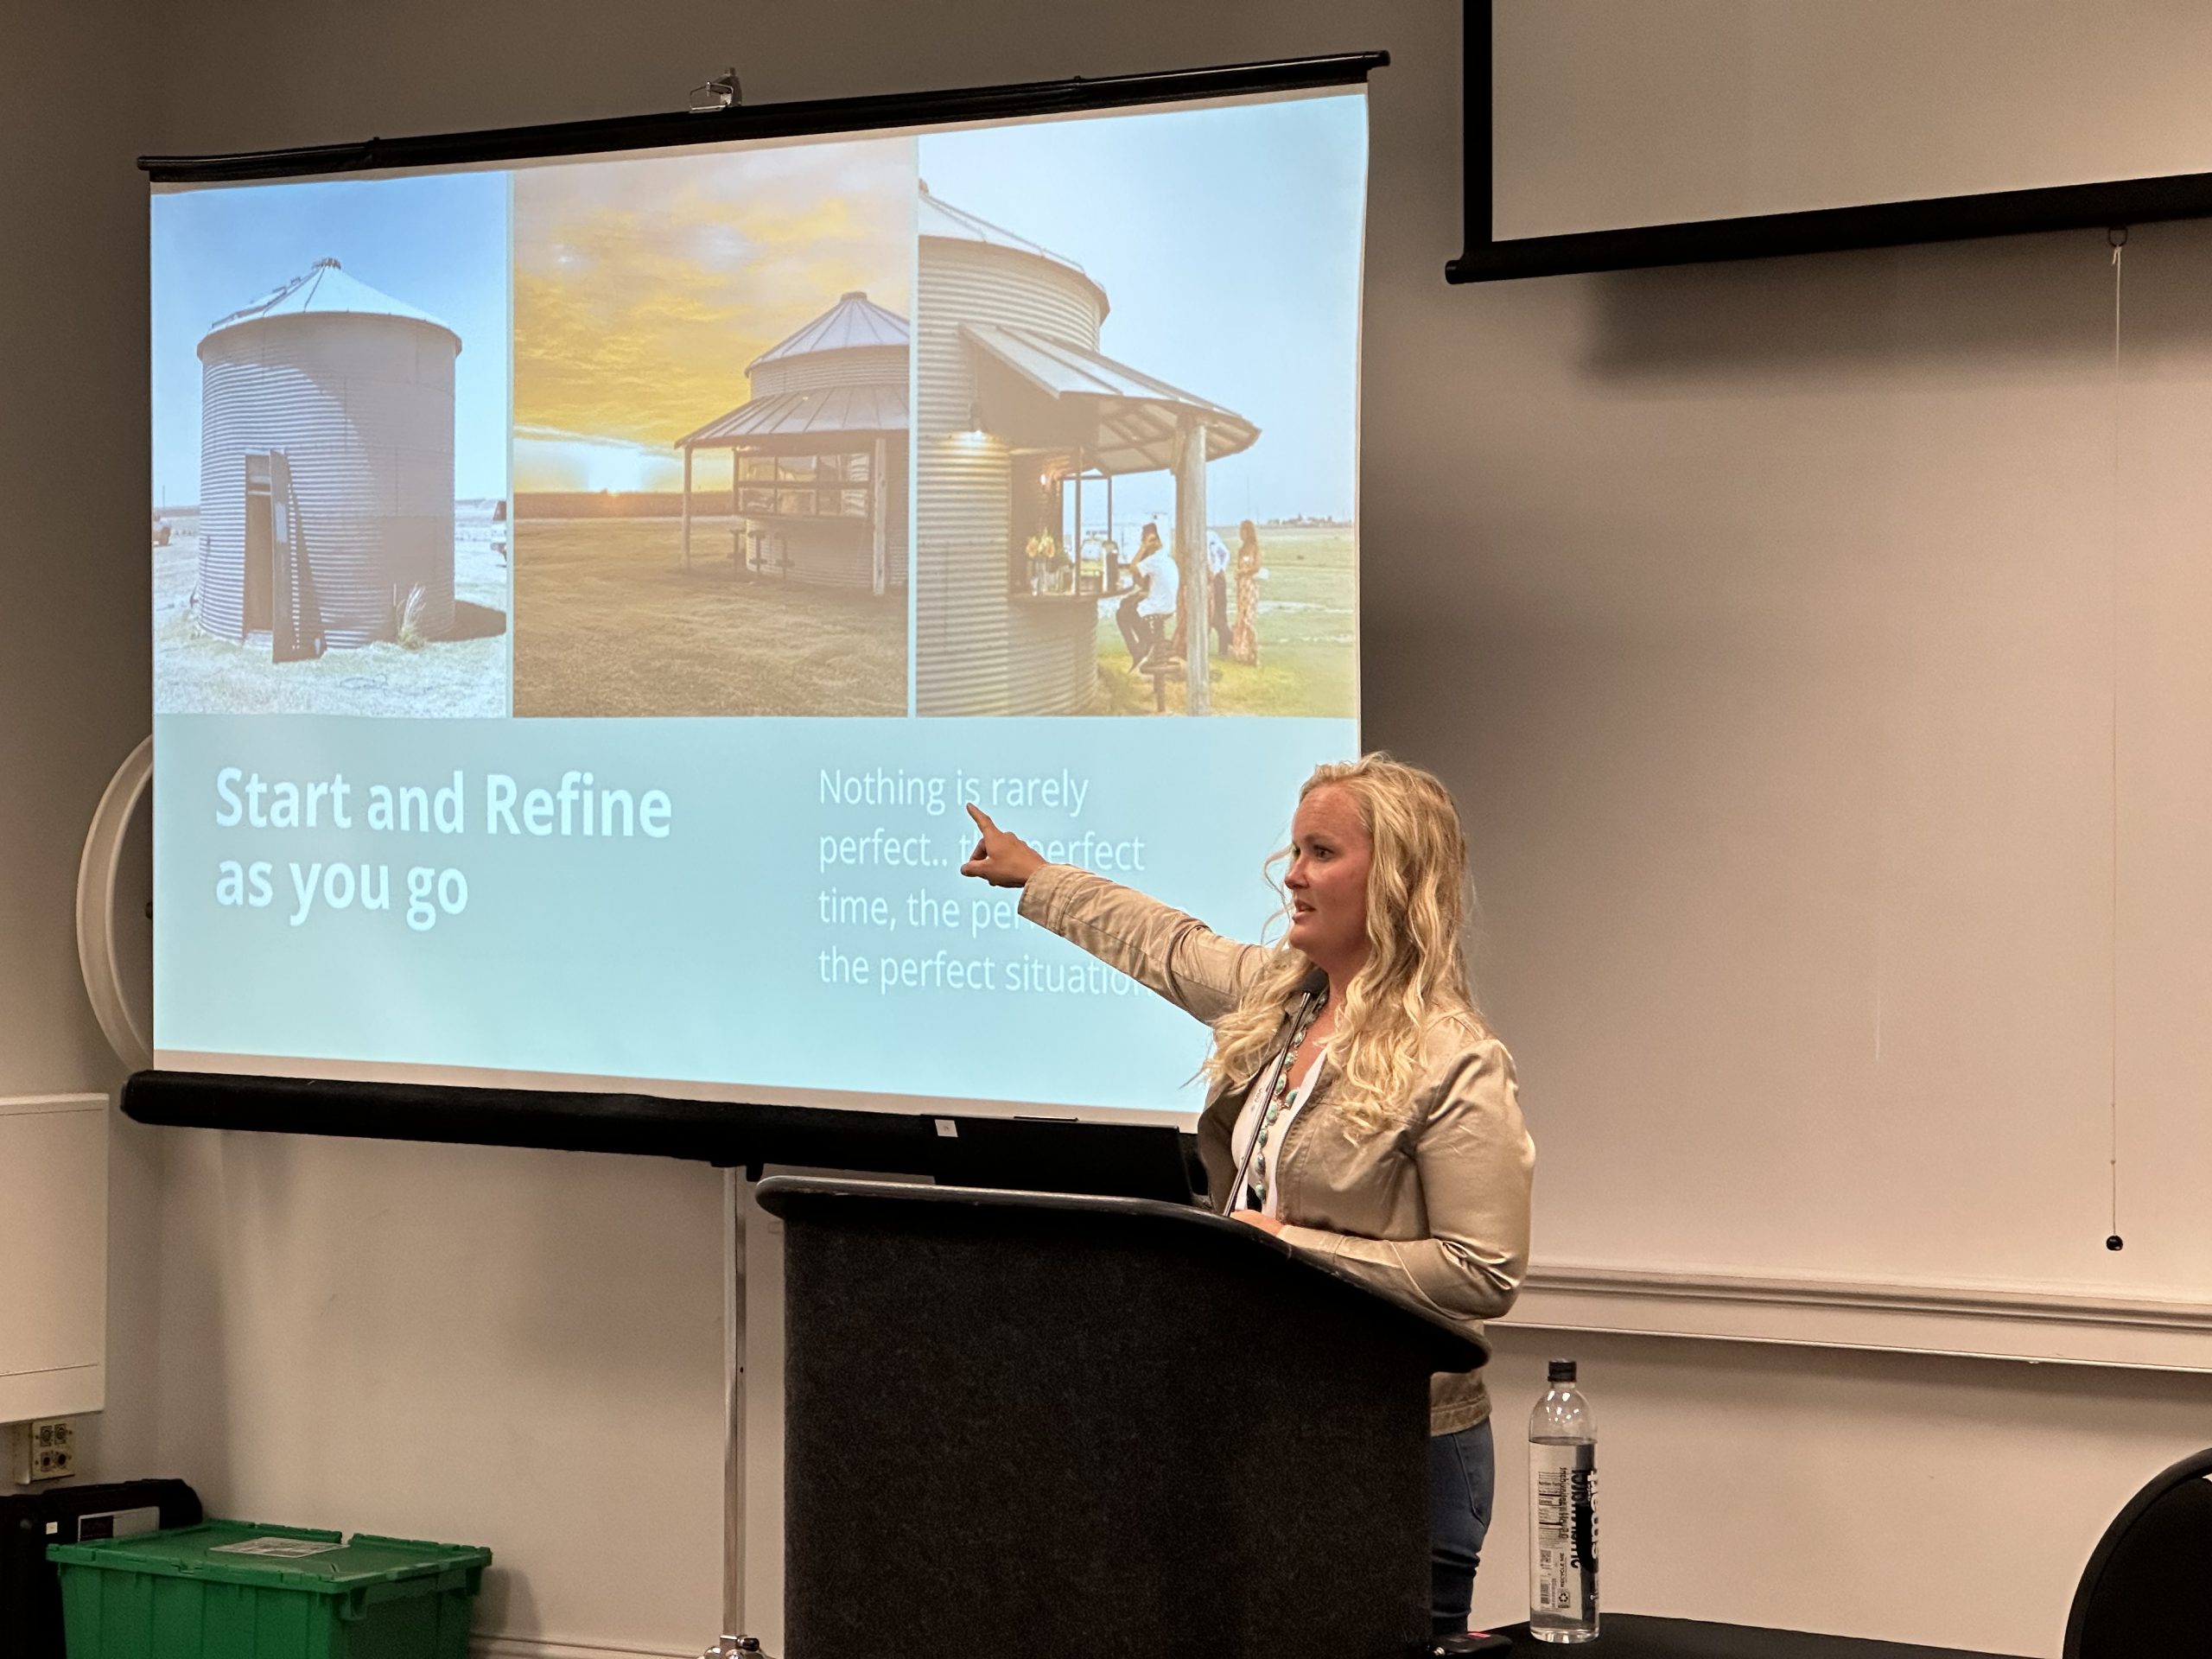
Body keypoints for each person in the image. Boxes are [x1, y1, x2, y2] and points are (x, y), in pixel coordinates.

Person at [961, 753, 1533, 1637]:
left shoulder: (1454, 1058)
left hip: (1395, 1441)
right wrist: (1039, 877)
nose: (1291, 875)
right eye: (1294, 850)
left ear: (1395, 880)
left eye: (1320, 853)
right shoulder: (1283, 999)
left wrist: (1281, 1251)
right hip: (1262, 1419)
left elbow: (1481, 1269)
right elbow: (1164, 942)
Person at [1230, 519, 1262, 665]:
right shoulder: (1241, 550)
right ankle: (1243, 651)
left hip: (1250, 586)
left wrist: (1244, 571)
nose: (1240, 534)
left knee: (1249, 618)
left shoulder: (1255, 548)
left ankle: (1253, 651)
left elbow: (1257, 566)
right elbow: (1238, 567)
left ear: (1248, 532)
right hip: (1241, 586)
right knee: (1241, 618)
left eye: (1243, 531)